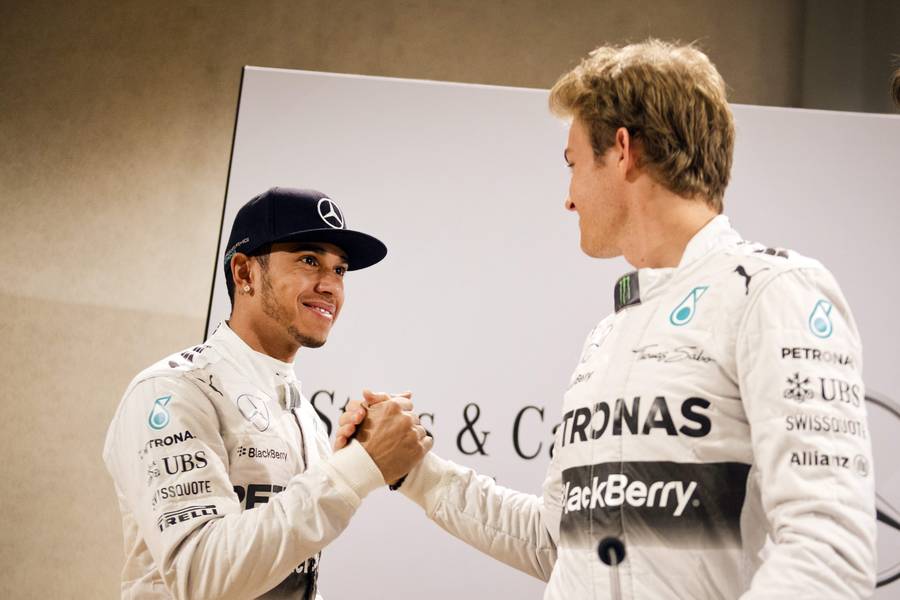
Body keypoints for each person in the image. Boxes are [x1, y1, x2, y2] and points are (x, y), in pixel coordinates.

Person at [337, 40, 876, 598]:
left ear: (622, 151)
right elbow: (558, 543)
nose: (569, 199)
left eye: (572, 164)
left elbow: (828, 553)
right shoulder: (611, 333)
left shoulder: (773, 292)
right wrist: (415, 473)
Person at [103, 187, 432, 599]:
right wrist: (358, 467)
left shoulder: (306, 417)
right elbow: (203, 577)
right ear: (244, 273)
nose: (331, 286)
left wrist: (352, 463)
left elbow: (288, 575)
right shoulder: (171, 392)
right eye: (309, 260)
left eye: (340, 270)